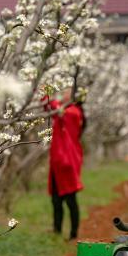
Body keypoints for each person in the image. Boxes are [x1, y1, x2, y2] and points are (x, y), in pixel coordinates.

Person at [45, 89, 85, 240]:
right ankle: (56, 231)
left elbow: (55, 108)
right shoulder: (64, 111)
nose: (62, 94)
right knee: (56, 199)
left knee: (70, 199)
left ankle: (74, 234)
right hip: (58, 163)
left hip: (67, 162)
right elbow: (49, 107)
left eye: (66, 92)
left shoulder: (73, 112)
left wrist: (46, 93)